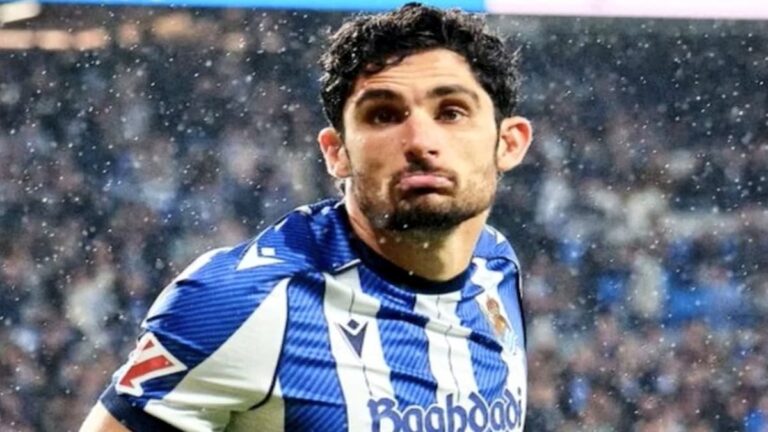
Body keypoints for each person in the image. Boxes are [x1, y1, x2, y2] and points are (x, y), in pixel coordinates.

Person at [80, 3, 533, 431]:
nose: (419, 140)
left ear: (509, 142)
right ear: (336, 153)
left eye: (451, 112)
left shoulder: (496, 265)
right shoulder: (243, 300)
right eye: (383, 115)